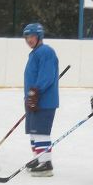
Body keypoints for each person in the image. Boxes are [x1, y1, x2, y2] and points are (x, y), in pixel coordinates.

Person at [22, 21, 60, 175]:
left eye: (31, 36)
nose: (29, 40)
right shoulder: (36, 52)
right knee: (33, 130)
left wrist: (36, 91)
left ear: (39, 36)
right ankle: (39, 157)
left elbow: (47, 76)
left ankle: (46, 163)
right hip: (34, 98)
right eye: (26, 37)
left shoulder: (45, 51)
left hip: (44, 100)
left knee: (40, 131)